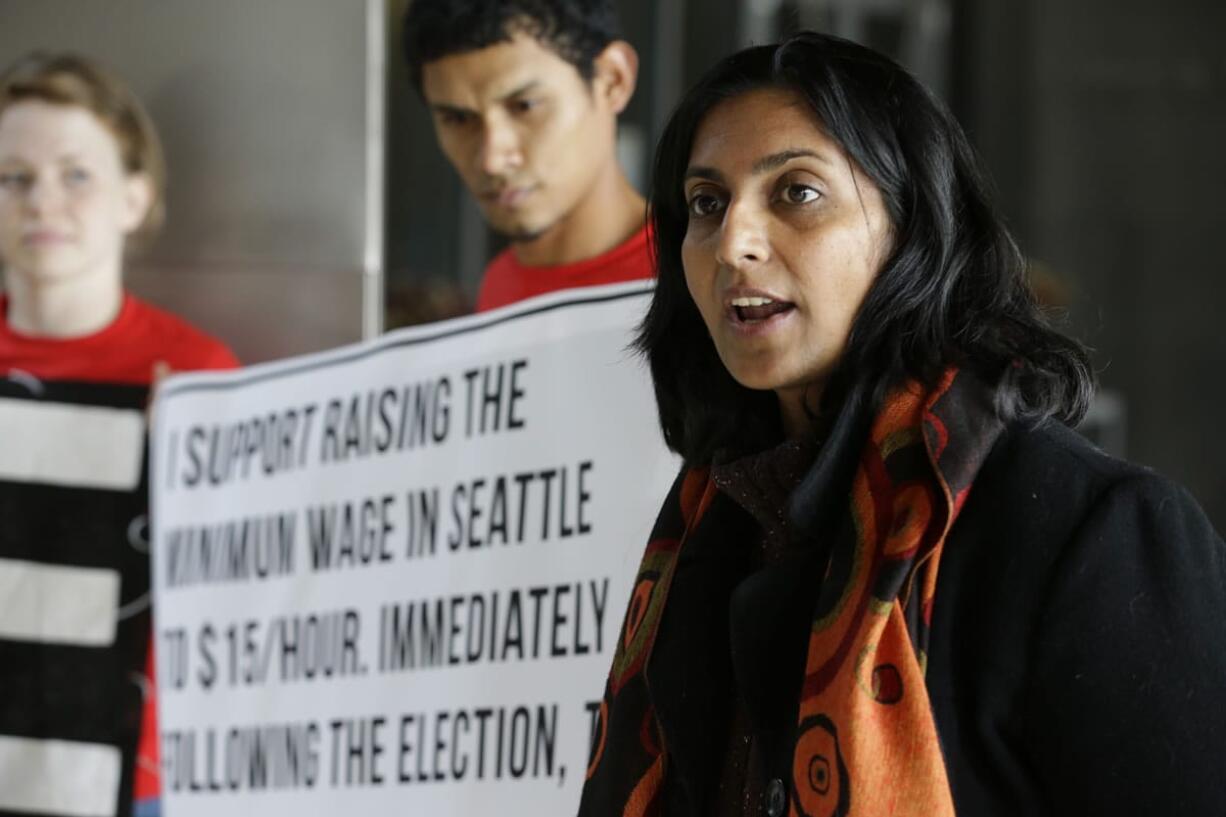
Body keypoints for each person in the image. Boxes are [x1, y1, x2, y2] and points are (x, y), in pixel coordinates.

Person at [578, 32, 1226, 817]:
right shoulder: (711, 527)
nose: (732, 244)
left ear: (910, 225)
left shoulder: (1089, 531)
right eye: (707, 204)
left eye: (797, 192)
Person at [0, 53, 236, 817]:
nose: (43, 202)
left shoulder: (198, 372)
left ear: (135, 198)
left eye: (76, 175)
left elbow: (242, 589)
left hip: (134, 775)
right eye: (14, 177)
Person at [402, 0, 652, 311]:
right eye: (458, 119)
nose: (491, 159)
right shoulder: (499, 282)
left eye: (525, 106)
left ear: (613, 80)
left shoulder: (702, 280)